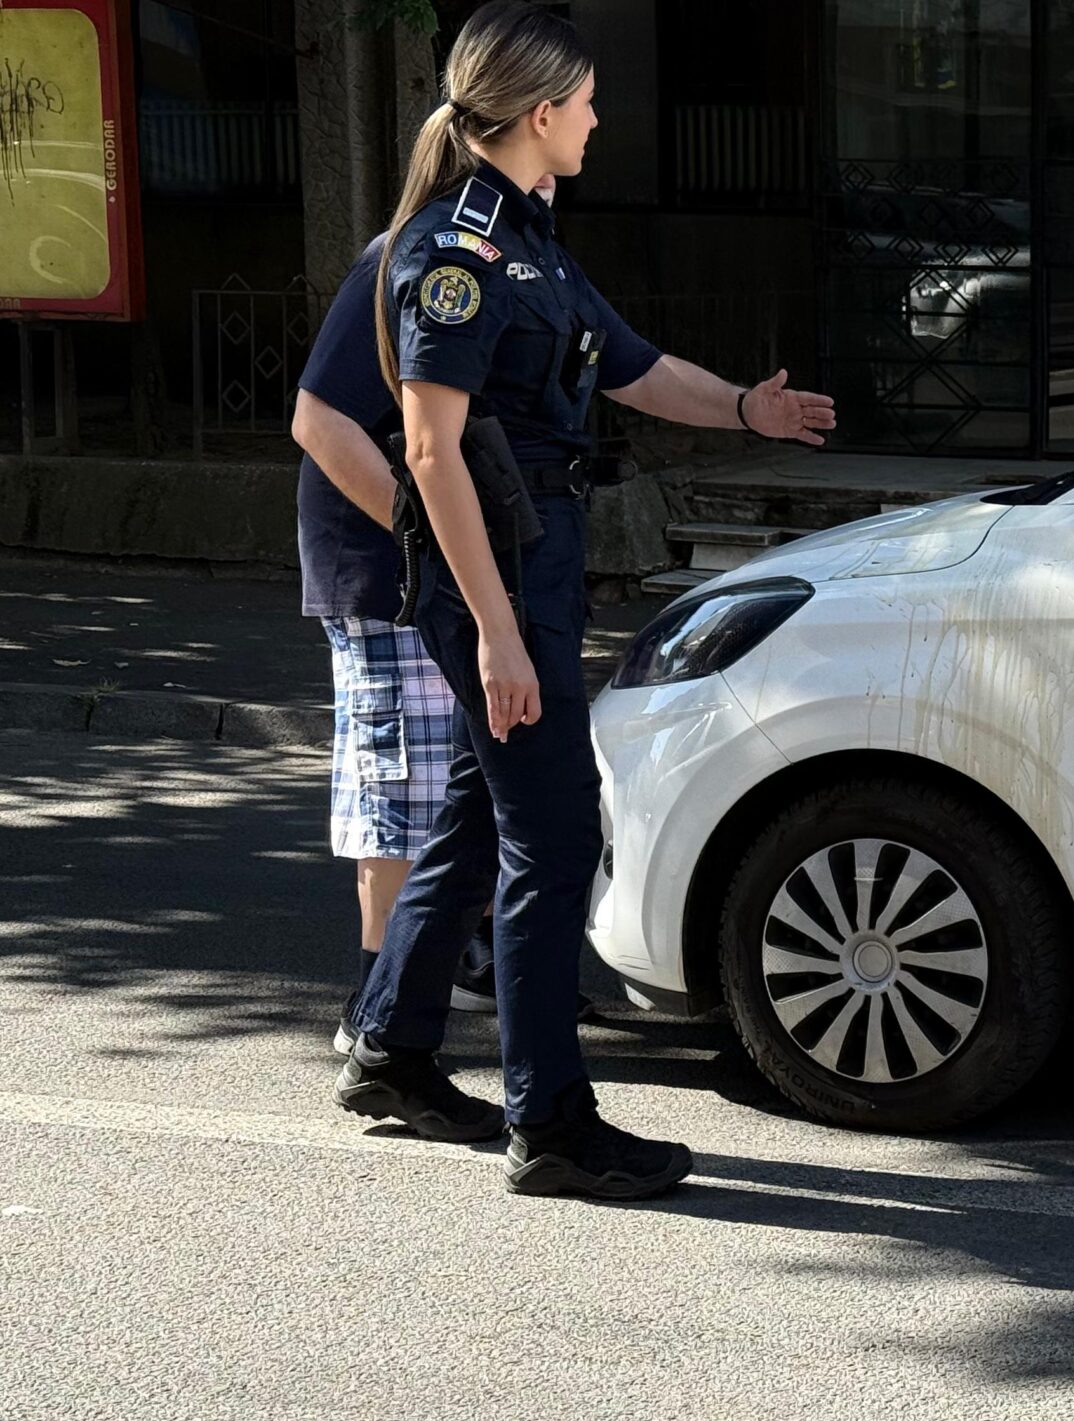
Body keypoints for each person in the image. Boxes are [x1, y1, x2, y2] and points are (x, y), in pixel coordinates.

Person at [335, 0, 835, 1199]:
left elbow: (634, 366)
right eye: (591, 102)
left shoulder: (530, 237)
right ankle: (551, 1124)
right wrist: (497, 634)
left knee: (480, 812)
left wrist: (747, 409)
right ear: (541, 110)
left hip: (536, 562)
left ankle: (392, 1048)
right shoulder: (454, 256)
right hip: (496, 576)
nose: (601, 120)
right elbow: (432, 452)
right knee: (554, 838)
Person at [295, 176, 589, 1058]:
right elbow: (319, 421)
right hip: (389, 576)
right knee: (402, 794)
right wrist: (421, 535)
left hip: (464, 576)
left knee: (474, 784)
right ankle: (373, 1001)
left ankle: (448, 967)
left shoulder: (520, 258)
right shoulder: (406, 258)